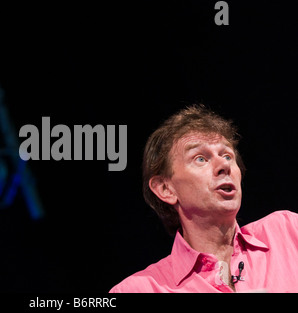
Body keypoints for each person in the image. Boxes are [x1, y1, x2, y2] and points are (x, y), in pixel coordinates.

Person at [109, 104, 298, 293]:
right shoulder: (139, 289)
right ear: (166, 189)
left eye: (227, 156)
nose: (224, 165)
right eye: (200, 158)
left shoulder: (288, 231)